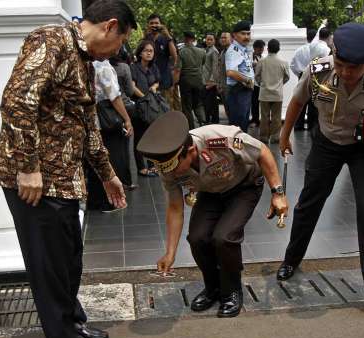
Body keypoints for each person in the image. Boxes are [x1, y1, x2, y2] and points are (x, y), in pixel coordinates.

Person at [0, 1, 132, 338]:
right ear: (110, 26)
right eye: (120, 43)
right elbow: (17, 101)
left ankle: (73, 322)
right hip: (36, 181)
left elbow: (88, 125)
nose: (117, 52)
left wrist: (108, 175)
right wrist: (27, 166)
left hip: (64, 181)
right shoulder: (51, 39)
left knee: (68, 260)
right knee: (49, 265)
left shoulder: (83, 59)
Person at [276, 23, 364, 334]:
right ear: (333, 55)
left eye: (353, 68)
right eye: (340, 64)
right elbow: (297, 102)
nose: (346, 72)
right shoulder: (318, 70)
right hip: (327, 143)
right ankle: (291, 259)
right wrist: (283, 137)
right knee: (309, 204)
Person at [137, 111, 288, 318]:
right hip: (211, 192)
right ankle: (213, 288)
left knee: (224, 237)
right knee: (197, 238)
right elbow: (174, 207)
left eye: (174, 166)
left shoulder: (219, 139)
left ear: (190, 151)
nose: (171, 172)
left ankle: (232, 291)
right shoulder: (169, 166)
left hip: (244, 186)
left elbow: (262, 151)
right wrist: (170, 253)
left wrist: (278, 193)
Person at [86, 58, 134, 213]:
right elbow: (114, 96)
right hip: (107, 119)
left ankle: (95, 201)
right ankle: (109, 201)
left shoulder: (86, 63)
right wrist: (127, 119)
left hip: (92, 119)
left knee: (95, 158)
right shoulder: (103, 66)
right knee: (112, 157)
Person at [130, 40, 161, 178]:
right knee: (139, 137)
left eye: (151, 51)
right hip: (139, 106)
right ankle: (141, 167)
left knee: (153, 136)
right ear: (140, 52)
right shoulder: (134, 67)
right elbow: (132, 86)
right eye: (146, 50)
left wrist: (154, 87)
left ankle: (152, 165)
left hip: (152, 107)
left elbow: (157, 81)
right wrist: (144, 97)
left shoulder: (154, 67)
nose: (149, 53)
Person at [110, 47, 137, 191]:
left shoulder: (97, 65)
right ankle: (126, 181)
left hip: (105, 113)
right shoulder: (124, 67)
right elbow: (129, 90)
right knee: (124, 148)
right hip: (124, 107)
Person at [255, 39, 290, 143]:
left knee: (264, 117)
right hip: (277, 94)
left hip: (264, 93)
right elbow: (287, 77)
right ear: (278, 49)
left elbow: (257, 76)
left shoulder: (261, 61)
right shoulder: (283, 62)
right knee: (276, 117)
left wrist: (262, 83)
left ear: (268, 48)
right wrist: (280, 84)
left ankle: (264, 137)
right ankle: (275, 137)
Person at [145, 14, 181, 111]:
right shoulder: (146, 39)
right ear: (148, 25)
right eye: (151, 23)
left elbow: (175, 56)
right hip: (150, 80)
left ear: (161, 25)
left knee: (167, 107)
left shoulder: (166, 38)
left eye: (156, 23)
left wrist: (168, 36)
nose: (154, 25)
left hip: (164, 79)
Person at [226, 21, 255, 132]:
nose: (246, 37)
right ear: (234, 35)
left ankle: (240, 147)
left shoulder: (243, 49)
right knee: (238, 126)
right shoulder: (234, 50)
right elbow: (231, 72)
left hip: (244, 91)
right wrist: (248, 80)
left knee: (243, 124)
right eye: (243, 34)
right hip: (238, 92)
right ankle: (237, 148)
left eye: (248, 34)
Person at [175, 31, 206, 129]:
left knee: (187, 106)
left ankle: (191, 128)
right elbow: (203, 63)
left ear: (185, 39)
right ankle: (203, 122)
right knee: (198, 103)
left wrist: (175, 82)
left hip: (186, 81)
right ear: (193, 39)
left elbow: (178, 69)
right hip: (198, 81)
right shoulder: (202, 51)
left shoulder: (182, 52)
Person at [203, 33, 220, 124]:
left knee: (210, 104)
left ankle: (212, 122)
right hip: (205, 80)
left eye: (211, 39)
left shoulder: (214, 51)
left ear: (214, 41)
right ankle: (211, 121)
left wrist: (212, 81)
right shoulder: (207, 50)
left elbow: (215, 68)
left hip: (210, 82)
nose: (208, 41)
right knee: (210, 104)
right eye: (207, 39)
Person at [217, 32, 232, 121]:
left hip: (230, 87)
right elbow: (220, 70)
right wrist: (219, 84)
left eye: (225, 38)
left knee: (232, 111)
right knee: (227, 110)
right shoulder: (223, 52)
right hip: (223, 86)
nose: (223, 39)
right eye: (221, 38)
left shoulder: (233, 52)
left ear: (231, 39)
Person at [250, 39, 266, 128]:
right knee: (254, 103)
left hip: (262, 83)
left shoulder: (263, 57)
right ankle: (255, 120)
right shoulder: (250, 57)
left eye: (262, 48)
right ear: (255, 48)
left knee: (262, 103)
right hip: (253, 83)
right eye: (260, 48)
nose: (262, 50)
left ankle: (261, 120)